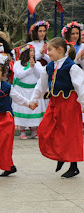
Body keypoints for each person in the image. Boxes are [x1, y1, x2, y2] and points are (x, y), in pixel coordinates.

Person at [30, 37, 84, 178]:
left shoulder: (71, 67)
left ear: (60, 50)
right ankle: (60, 155)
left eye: (50, 50)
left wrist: (83, 104)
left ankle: (73, 166)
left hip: (69, 105)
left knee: (70, 134)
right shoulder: (49, 67)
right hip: (55, 103)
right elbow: (41, 85)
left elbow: (81, 87)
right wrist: (34, 100)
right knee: (45, 129)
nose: (47, 53)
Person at [12, 44, 45, 139]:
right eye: (30, 51)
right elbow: (18, 75)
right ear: (25, 52)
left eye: (33, 51)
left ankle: (34, 130)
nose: (33, 53)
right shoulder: (18, 63)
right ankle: (22, 130)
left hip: (34, 91)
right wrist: (30, 68)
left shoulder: (37, 64)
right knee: (23, 109)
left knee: (34, 110)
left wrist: (34, 66)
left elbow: (41, 75)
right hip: (21, 90)